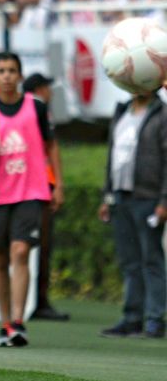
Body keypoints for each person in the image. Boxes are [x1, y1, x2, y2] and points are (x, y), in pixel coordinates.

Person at [0, 53, 62, 348]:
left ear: (20, 75)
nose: (7, 76)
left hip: (31, 191)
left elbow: (51, 146)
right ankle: (4, 323)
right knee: (0, 259)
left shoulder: (36, 107)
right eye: (1, 70)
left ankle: (18, 322)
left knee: (20, 251)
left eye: (12, 70)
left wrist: (58, 185)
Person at [98, 84, 167, 339]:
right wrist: (107, 196)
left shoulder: (162, 113)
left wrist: (164, 201)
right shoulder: (122, 111)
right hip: (120, 198)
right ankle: (131, 318)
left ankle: (155, 319)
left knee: (151, 259)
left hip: (148, 198)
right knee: (130, 262)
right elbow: (112, 157)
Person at [21, 72, 70, 321]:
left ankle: (25, 302)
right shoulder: (37, 108)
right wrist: (58, 185)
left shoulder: (13, 106)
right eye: (48, 88)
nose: (51, 93)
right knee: (40, 246)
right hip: (38, 186)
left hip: (15, 186)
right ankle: (38, 301)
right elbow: (52, 147)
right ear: (40, 89)